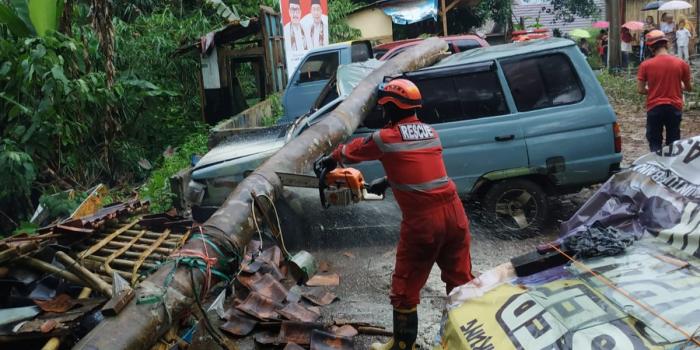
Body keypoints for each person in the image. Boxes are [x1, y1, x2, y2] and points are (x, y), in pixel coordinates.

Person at [317, 79, 473, 350]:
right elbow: (420, 166)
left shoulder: (385, 138)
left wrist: (332, 158)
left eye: (384, 108)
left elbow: (353, 151)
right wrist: (389, 180)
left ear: (390, 107)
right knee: (461, 282)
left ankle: (403, 346)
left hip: (424, 222)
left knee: (405, 287)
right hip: (455, 215)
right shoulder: (431, 133)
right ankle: (466, 341)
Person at [637, 30, 692, 152]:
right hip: (674, 107)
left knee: (655, 142)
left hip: (654, 108)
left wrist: (654, 89)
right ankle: (670, 167)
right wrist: (678, 86)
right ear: (666, 44)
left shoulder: (645, 65)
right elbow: (689, 88)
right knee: (673, 142)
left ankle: (657, 166)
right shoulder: (681, 63)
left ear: (651, 48)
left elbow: (640, 90)